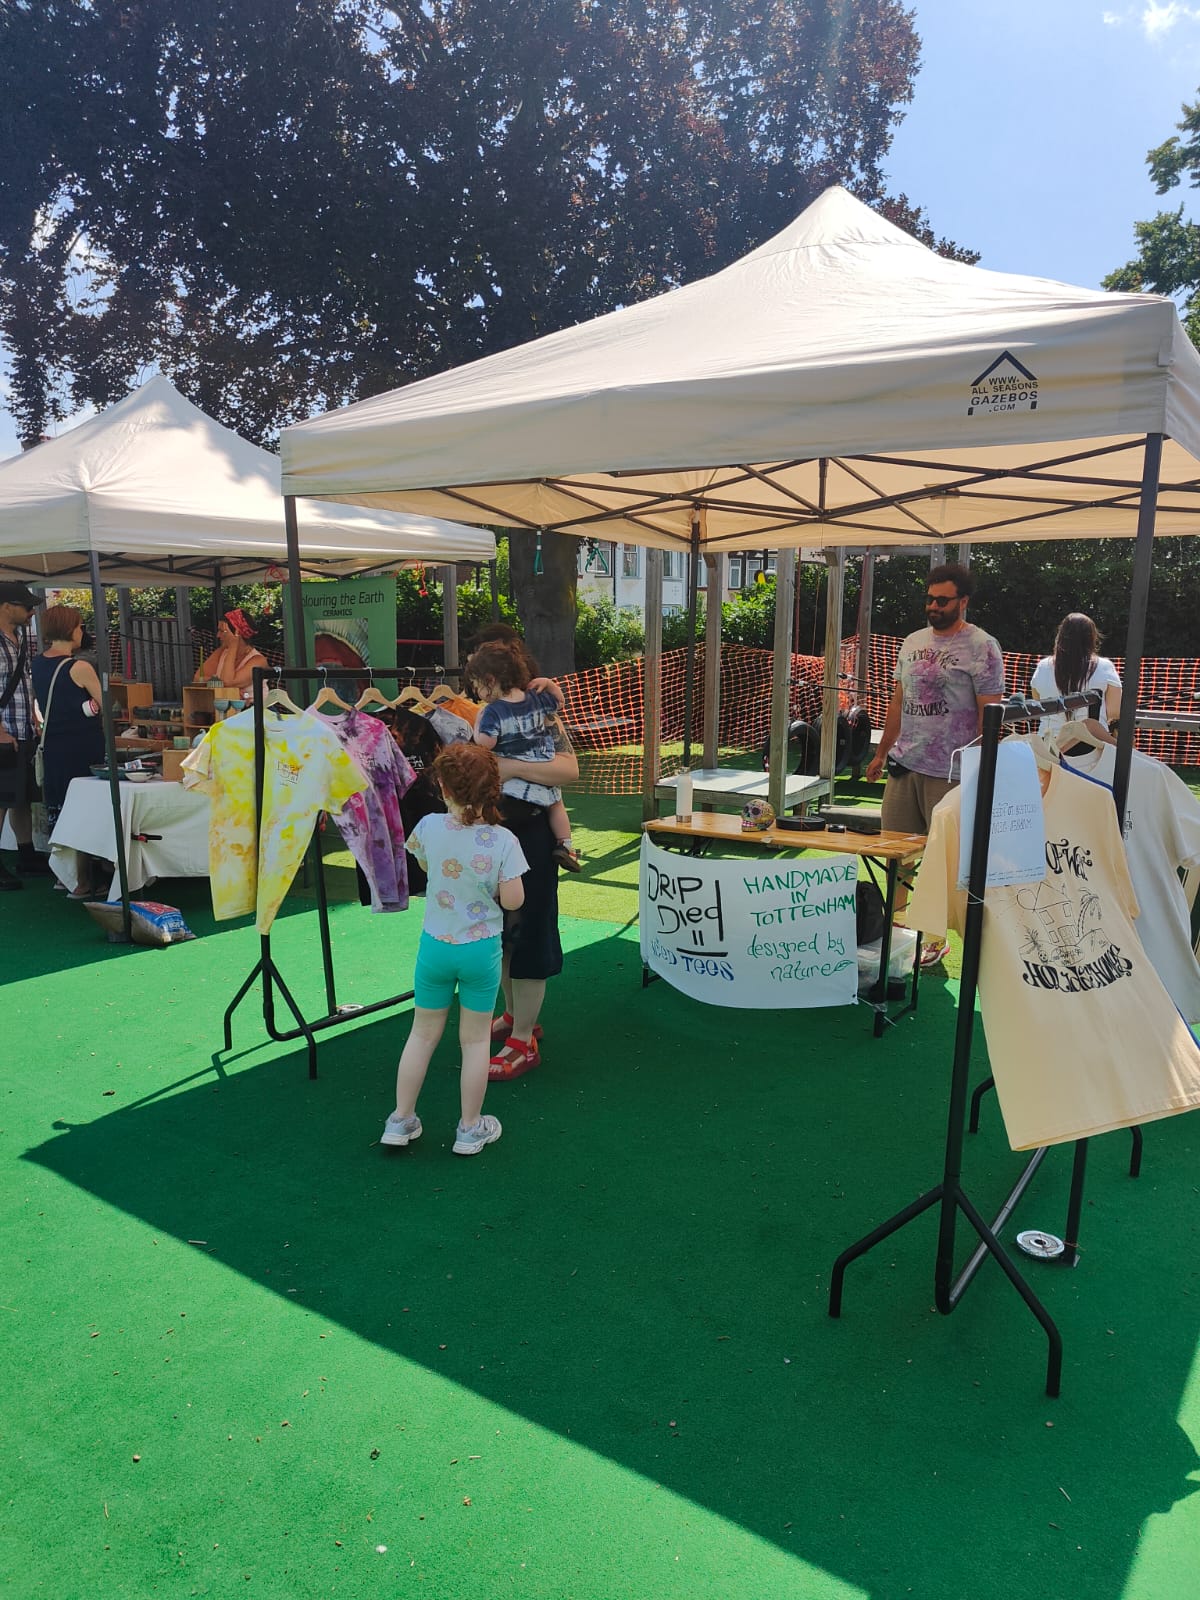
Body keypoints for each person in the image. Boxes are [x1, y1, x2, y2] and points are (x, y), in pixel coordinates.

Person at [380, 743, 528, 1157]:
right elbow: (514, 900)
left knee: (422, 1033)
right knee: (476, 1042)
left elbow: (426, 866)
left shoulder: (428, 827)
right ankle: (469, 1128)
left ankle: (400, 1118)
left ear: (442, 785)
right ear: (493, 789)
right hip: (480, 951)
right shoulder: (503, 840)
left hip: (435, 946)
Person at [865, 563, 1005, 968]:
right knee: (894, 853)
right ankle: (893, 932)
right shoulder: (912, 642)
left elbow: (989, 715)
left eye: (942, 600)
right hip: (904, 764)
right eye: (929, 598)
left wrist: (984, 770)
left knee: (941, 861)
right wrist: (880, 752)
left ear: (963, 601)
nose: (934, 606)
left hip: (953, 771)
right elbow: (897, 701)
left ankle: (934, 937)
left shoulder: (983, 647)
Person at [469, 637, 582, 871]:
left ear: (490, 680)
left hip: (510, 794)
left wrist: (478, 724)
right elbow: (559, 702)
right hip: (542, 766)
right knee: (557, 805)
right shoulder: (536, 699)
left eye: (477, 685)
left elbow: (486, 743)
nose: (477, 692)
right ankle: (566, 844)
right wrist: (549, 684)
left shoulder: (492, 711)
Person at [31, 605, 109, 897]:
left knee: (61, 811)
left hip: (53, 746)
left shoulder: (37, 664)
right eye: (79, 626)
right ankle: (84, 881)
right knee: (84, 811)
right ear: (70, 629)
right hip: (81, 747)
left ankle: (64, 875)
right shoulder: (79, 667)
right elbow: (105, 703)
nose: (82, 632)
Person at [0, 581, 50, 890]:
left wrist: (34, 716)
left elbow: (22, 684)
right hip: (4, 734)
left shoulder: (18, 638)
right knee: (2, 800)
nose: (32, 612)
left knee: (21, 799)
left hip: (23, 729)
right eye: (26, 606)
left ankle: (26, 854)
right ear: (6, 606)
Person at [1030, 612, 1122, 733]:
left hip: (1048, 746)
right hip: (1091, 745)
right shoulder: (1105, 666)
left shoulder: (1043, 666)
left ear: (1060, 636)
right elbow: (1115, 712)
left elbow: (1038, 702)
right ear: (1091, 638)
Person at [195, 608, 268, 691]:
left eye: (222, 631)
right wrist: (219, 683)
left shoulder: (258, 660)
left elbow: (227, 682)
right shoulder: (221, 652)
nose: (218, 635)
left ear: (236, 633)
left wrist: (233, 646)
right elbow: (197, 679)